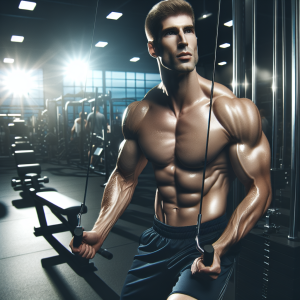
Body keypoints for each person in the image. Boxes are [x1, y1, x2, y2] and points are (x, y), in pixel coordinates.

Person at [70, 1, 272, 299]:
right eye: (170, 33)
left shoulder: (230, 111)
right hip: (156, 239)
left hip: (206, 241)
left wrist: (222, 245)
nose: (182, 40)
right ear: (153, 48)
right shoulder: (139, 114)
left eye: (188, 30)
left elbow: (260, 187)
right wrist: (99, 231)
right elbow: (125, 176)